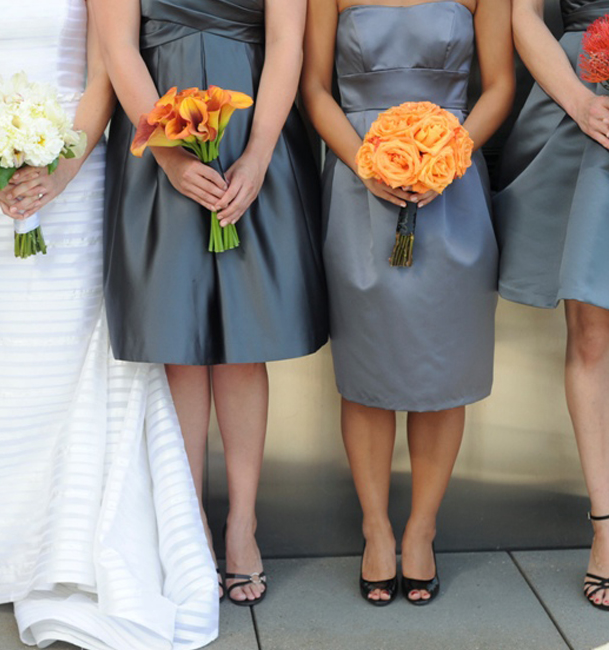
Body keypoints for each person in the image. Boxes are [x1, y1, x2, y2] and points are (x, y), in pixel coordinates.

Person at [0, 0, 218, 650]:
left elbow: (102, 74)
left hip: (76, 176)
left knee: (69, 358)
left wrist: (62, 167)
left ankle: (74, 541)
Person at [93, 0, 329, 606]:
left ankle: (242, 525)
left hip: (257, 126)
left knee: (245, 341)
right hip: (155, 138)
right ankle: (188, 520)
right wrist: (167, 152)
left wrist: (258, 153)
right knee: (180, 340)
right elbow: (119, 45)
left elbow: (285, 44)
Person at [302, 0, 513, 603]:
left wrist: (445, 155)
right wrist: (366, 163)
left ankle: (422, 529)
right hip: (356, 181)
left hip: (454, 183)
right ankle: (376, 529)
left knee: (442, 362)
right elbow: (316, 88)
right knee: (367, 363)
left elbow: (498, 86)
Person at [494, 0, 609, 609]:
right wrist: (583, 103)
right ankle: (606, 529)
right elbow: (524, 17)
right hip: (582, 107)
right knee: (589, 330)